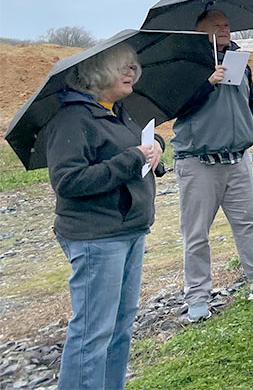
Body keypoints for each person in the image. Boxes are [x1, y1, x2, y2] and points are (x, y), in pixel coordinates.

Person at [44, 43, 165, 390]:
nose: (131, 73)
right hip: (96, 237)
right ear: (97, 74)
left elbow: (136, 142)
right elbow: (69, 181)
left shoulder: (116, 110)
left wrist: (156, 144)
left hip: (129, 229)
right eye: (122, 67)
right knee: (93, 331)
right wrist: (131, 159)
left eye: (133, 66)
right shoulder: (72, 118)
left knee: (120, 325)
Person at [173, 10, 253, 323]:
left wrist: (250, 128)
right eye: (216, 26)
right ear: (199, 31)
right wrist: (206, 83)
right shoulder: (185, 65)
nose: (224, 29)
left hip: (238, 157)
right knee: (197, 233)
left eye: (226, 25)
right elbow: (173, 106)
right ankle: (198, 298)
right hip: (198, 160)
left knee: (249, 222)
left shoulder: (239, 60)